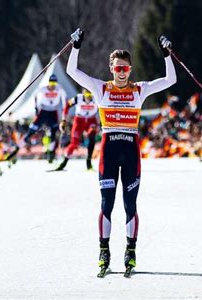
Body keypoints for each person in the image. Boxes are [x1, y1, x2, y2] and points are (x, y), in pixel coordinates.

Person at [67, 28, 176, 275]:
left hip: (130, 153)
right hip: (108, 151)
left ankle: (131, 250)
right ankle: (104, 250)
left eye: (125, 68)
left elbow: (170, 80)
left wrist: (167, 55)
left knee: (130, 204)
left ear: (131, 70)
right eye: (118, 68)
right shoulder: (100, 89)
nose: (122, 73)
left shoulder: (140, 90)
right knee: (107, 203)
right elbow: (72, 72)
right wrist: (75, 47)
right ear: (111, 69)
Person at [23, 74, 66, 163]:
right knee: (33, 128)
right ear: (48, 82)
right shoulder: (43, 88)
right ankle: (23, 141)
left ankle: (51, 154)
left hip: (53, 112)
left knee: (54, 133)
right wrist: (36, 107)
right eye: (51, 83)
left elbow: (64, 99)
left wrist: (63, 111)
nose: (52, 85)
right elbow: (34, 94)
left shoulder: (59, 88)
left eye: (54, 83)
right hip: (43, 111)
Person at [56, 88, 98, 170]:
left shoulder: (96, 98)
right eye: (86, 95)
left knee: (92, 138)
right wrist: (63, 120)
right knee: (74, 143)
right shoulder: (77, 98)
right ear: (83, 94)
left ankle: (88, 162)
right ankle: (64, 162)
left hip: (91, 120)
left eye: (90, 95)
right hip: (79, 120)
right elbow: (67, 105)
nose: (88, 97)